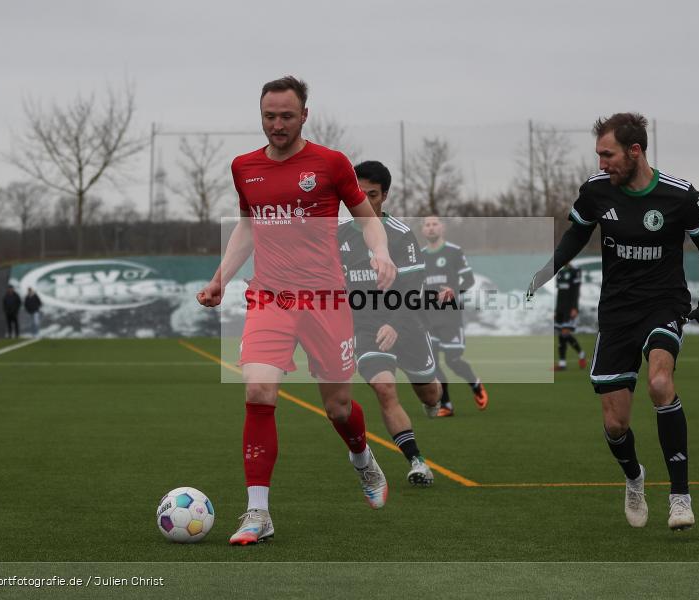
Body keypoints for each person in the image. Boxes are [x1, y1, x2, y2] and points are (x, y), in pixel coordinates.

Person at [196, 76, 398, 546]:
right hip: (270, 297)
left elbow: (365, 217)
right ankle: (258, 513)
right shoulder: (244, 167)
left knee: (339, 407)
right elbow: (248, 225)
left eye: (287, 116)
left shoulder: (330, 163)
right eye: (269, 116)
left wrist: (381, 253)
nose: (277, 125)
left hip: (326, 301)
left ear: (304, 115)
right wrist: (220, 278)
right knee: (260, 389)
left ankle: (363, 458)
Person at [526, 113, 699, 531]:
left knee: (659, 383)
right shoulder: (597, 192)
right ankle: (634, 477)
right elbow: (577, 233)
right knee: (615, 423)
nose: (601, 163)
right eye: (598, 154)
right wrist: (549, 269)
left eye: (607, 154)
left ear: (635, 151)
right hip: (616, 312)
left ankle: (680, 497)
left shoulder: (680, 195)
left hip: (664, 305)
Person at [337, 160, 442, 487]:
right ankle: (417, 461)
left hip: (406, 322)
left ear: (385, 196)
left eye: (374, 195)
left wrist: (395, 324)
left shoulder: (400, 236)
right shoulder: (337, 237)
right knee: (384, 389)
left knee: (428, 393)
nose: (366, 202)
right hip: (365, 327)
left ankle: (434, 398)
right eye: (360, 194)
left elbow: (413, 289)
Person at [420, 215, 488, 417]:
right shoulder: (419, 255)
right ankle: (446, 405)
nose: (431, 228)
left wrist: (454, 290)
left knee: (453, 360)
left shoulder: (454, 252)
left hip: (450, 317)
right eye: (427, 225)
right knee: (433, 363)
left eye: (434, 224)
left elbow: (469, 279)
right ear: (423, 230)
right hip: (428, 318)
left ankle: (475, 384)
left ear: (442, 228)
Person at [554, 263, 586, 371]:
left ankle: (581, 354)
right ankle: (562, 364)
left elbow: (576, 292)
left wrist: (574, 307)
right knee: (561, 335)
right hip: (560, 309)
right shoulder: (561, 272)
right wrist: (556, 310)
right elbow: (559, 293)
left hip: (569, 308)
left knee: (565, 333)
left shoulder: (575, 271)